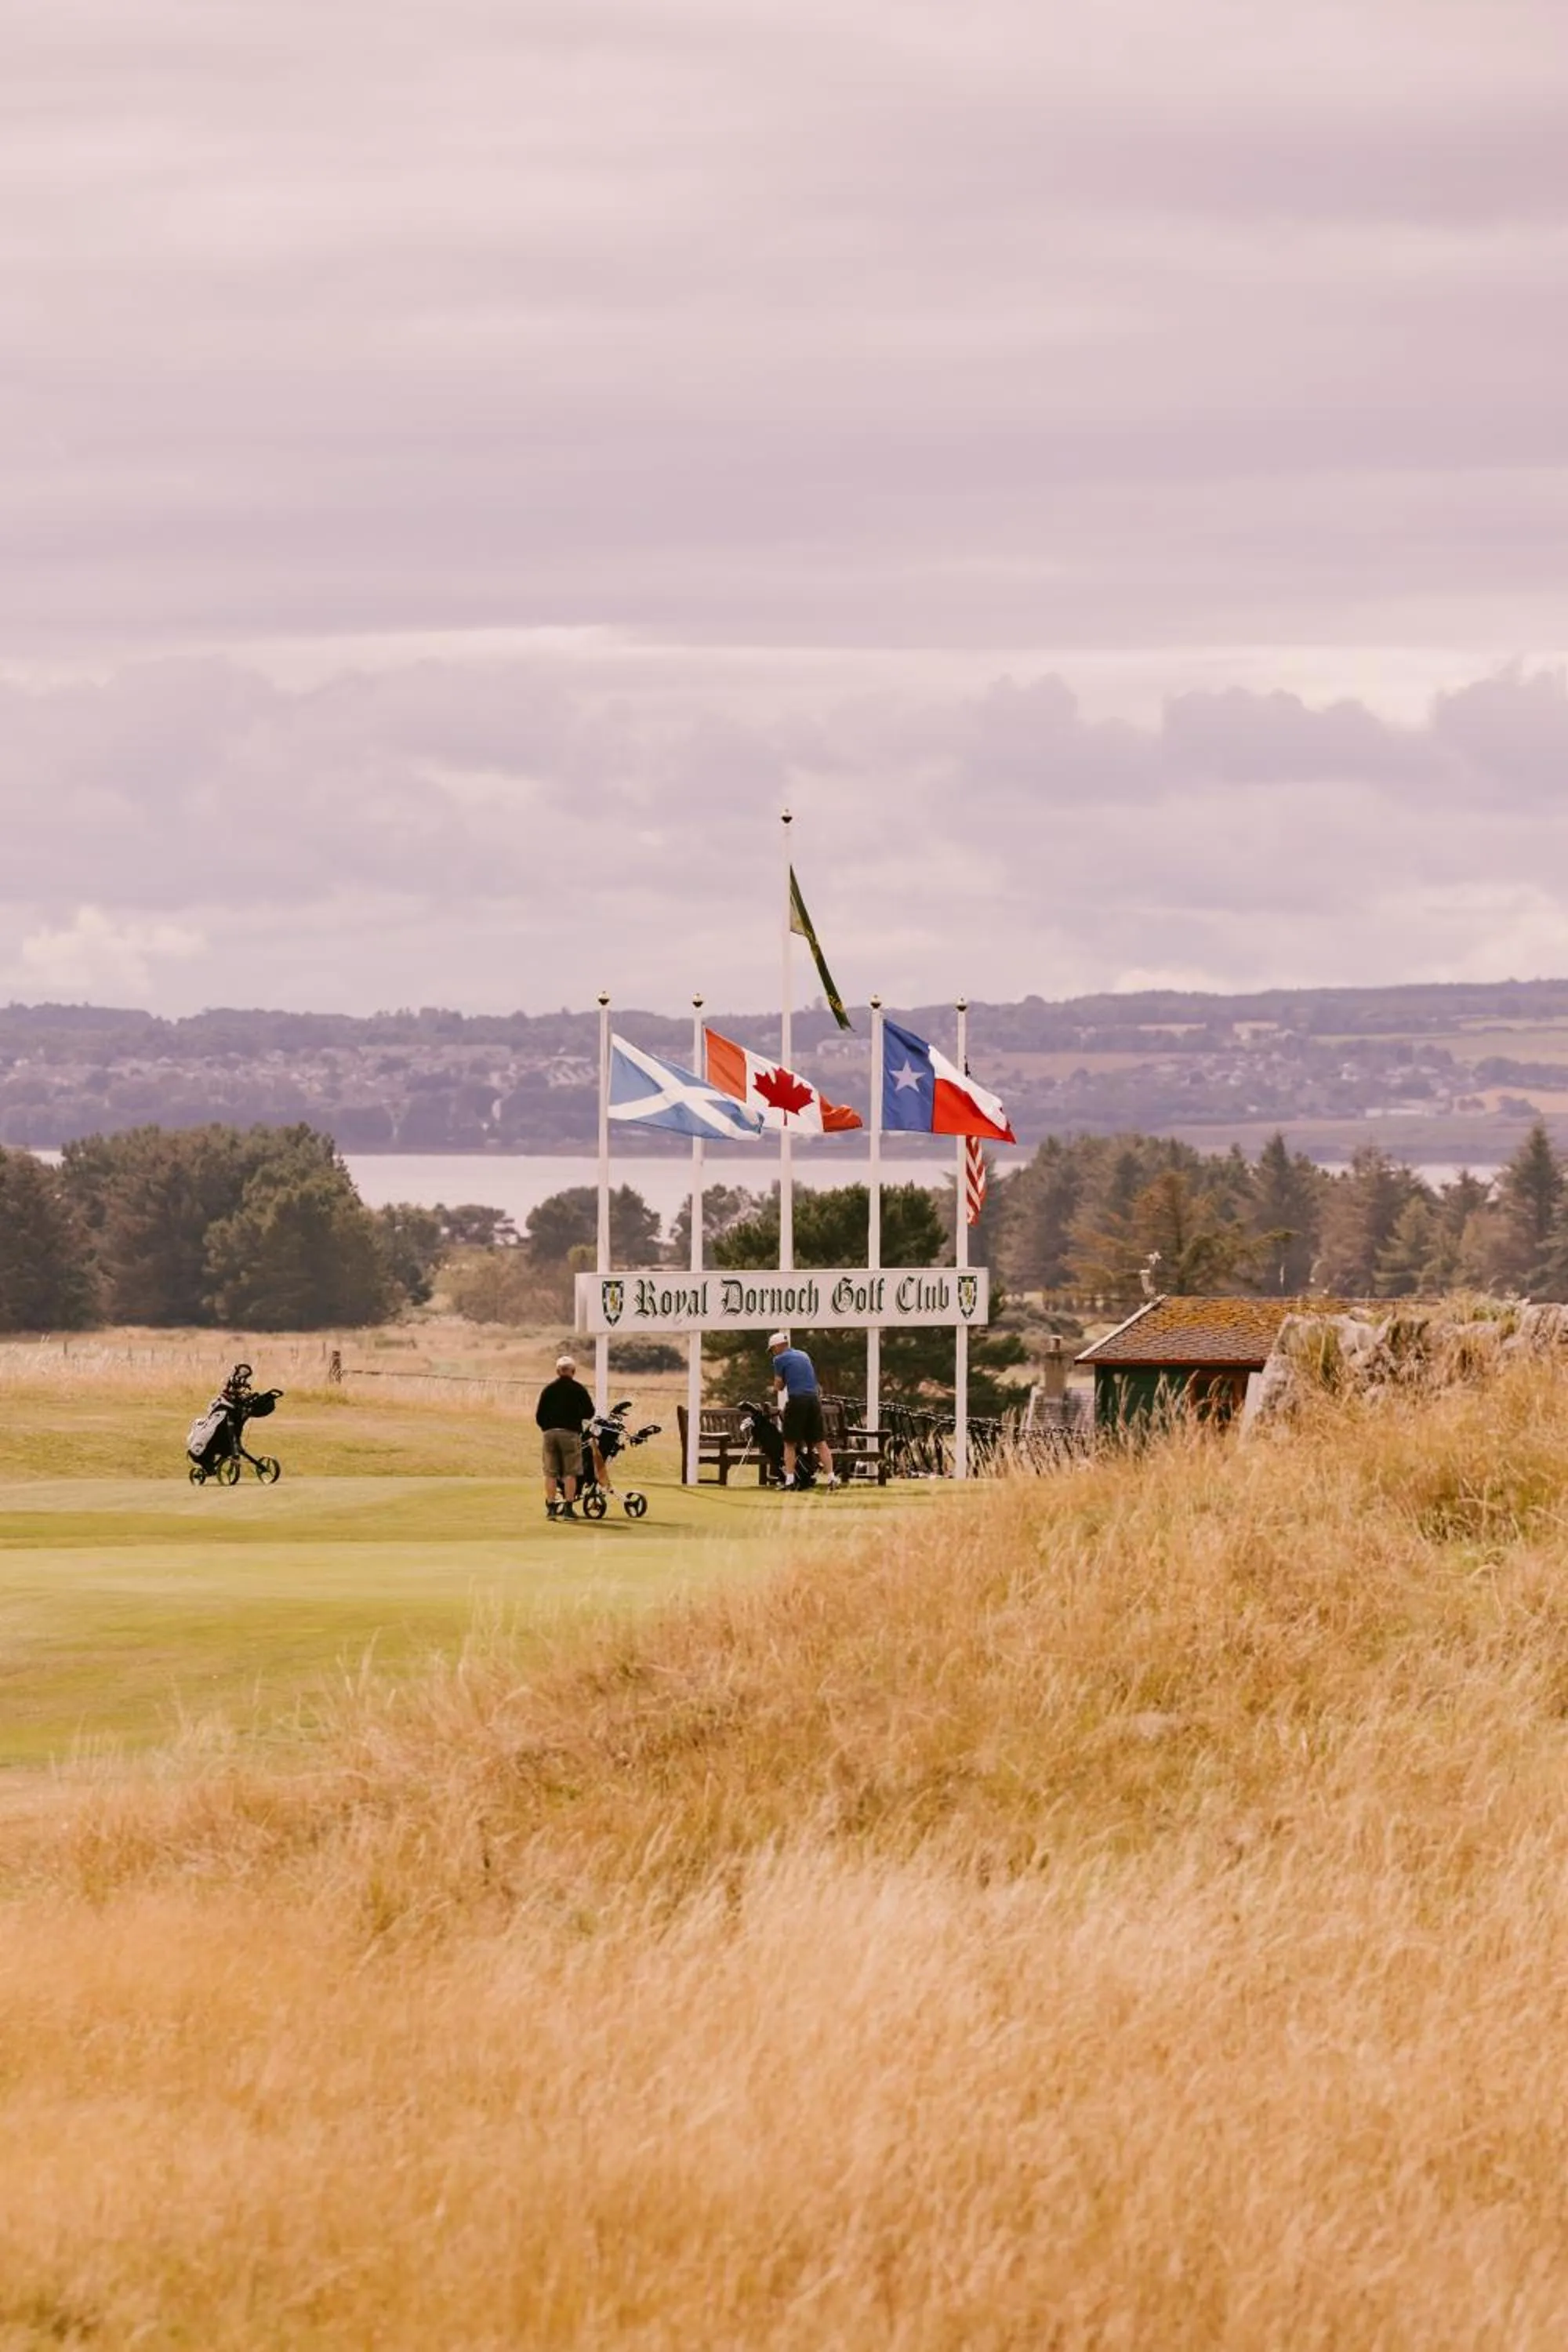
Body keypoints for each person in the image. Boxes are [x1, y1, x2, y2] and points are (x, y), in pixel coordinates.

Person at [768, 1330, 837, 1490]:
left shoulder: (779, 1359)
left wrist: (776, 1384)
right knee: (820, 1442)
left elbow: (779, 1386)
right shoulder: (804, 1355)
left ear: (778, 1346)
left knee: (789, 1443)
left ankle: (790, 1481)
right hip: (814, 1400)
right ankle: (832, 1478)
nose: (773, 1352)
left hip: (797, 1400)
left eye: (772, 1349)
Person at [535, 1352, 596, 1521]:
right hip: (570, 1433)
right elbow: (590, 1412)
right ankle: (568, 1509)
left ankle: (551, 1508)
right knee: (571, 1472)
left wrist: (547, 1428)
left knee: (551, 1473)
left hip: (550, 1434)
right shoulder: (578, 1389)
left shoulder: (548, 1389)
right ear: (573, 1371)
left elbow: (539, 1416)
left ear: (558, 1371)